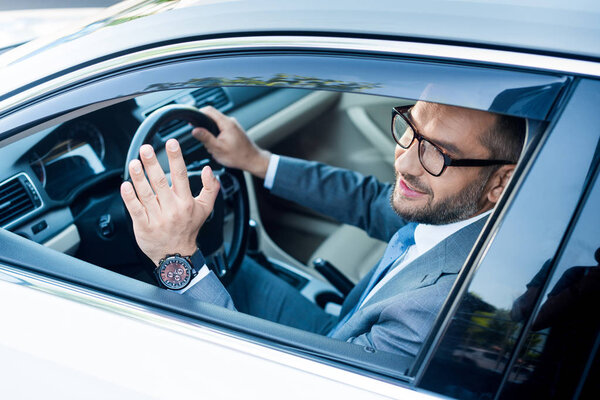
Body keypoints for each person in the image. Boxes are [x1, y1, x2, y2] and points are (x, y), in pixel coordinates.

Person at [120, 100, 525, 358]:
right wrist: (256, 160)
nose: (403, 163)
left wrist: (175, 258)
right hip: (340, 331)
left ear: (499, 183)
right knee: (234, 269)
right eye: (410, 129)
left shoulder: (431, 312)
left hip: (325, 363)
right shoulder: (458, 211)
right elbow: (367, 200)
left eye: (437, 152)